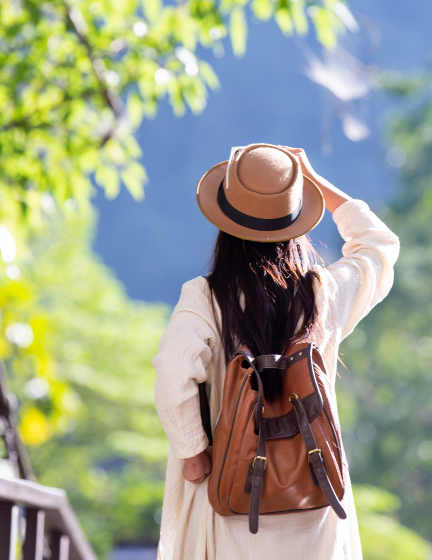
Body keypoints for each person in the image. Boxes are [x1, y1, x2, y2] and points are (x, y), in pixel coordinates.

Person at [152, 143, 400, 559]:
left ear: (225, 221)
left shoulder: (205, 298)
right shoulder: (322, 294)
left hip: (231, 502)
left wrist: (194, 453)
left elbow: (174, 371)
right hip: (316, 498)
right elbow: (378, 246)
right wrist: (311, 179)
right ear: (296, 218)